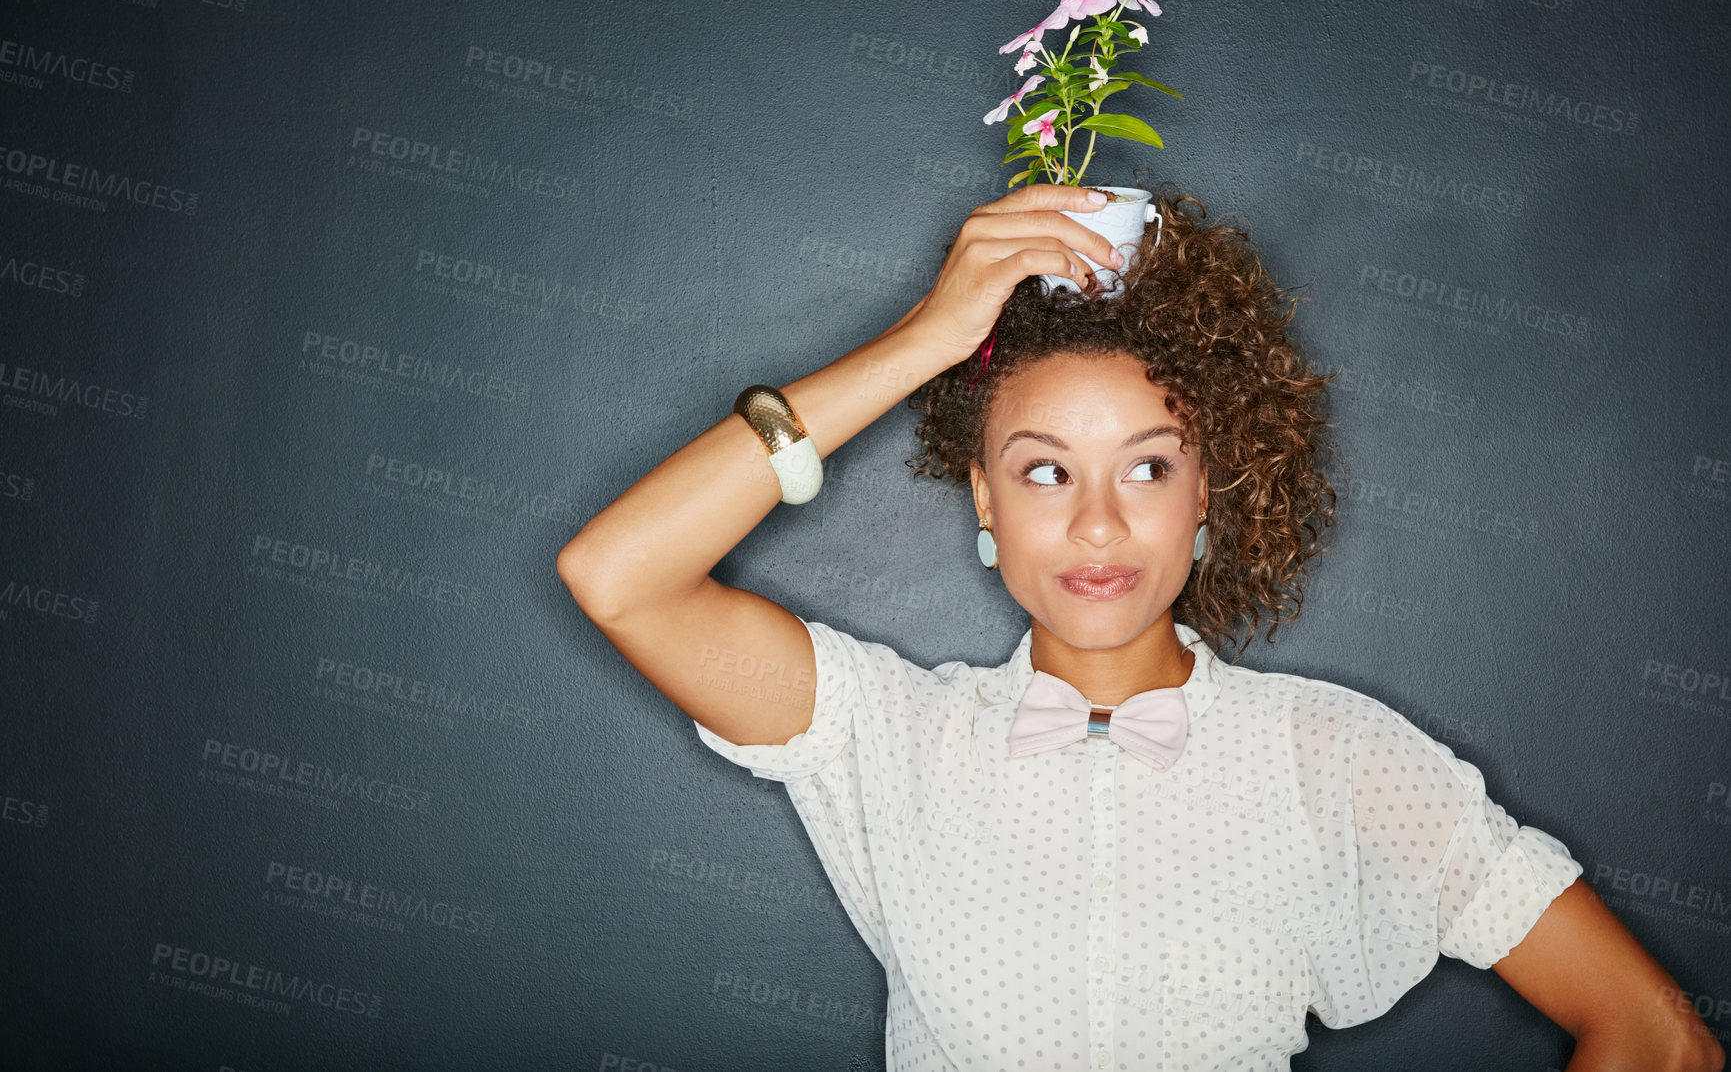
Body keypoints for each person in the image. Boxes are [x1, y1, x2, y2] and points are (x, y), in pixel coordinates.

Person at [556, 184, 1725, 1071]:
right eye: (1046, 469)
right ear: (984, 495)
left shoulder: (1338, 756)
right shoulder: (886, 735)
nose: (1100, 524)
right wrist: (924, 340)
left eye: (1149, 465)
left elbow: (1657, 1035)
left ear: (1210, 484)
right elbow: (620, 574)